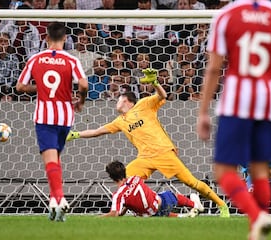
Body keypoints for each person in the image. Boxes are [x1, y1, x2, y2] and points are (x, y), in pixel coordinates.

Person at [196, 1, 271, 239]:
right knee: (261, 170)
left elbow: (214, 68)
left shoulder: (227, 15)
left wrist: (203, 111)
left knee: (224, 172)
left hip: (236, 101)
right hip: (269, 101)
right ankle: (259, 228)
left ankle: (257, 216)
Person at [67, 68, 230, 217]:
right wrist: (75, 134)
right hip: (145, 158)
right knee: (125, 181)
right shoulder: (119, 121)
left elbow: (162, 95)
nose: (116, 101)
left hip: (164, 152)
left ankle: (222, 205)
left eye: (119, 98)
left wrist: (154, 82)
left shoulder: (143, 105)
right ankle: (124, 211)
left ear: (126, 100)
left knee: (191, 182)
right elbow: (96, 132)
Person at [15, 22, 88, 222]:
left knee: (50, 162)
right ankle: (54, 206)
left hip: (44, 117)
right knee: (56, 161)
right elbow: (83, 84)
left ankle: (60, 200)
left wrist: (40, 89)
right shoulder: (71, 60)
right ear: (65, 39)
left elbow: (20, 86)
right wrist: (80, 101)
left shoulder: (35, 59)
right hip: (65, 117)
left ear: (46, 38)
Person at [103, 160, 204, 217]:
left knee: (152, 212)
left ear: (111, 177)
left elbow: (115, 213)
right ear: (124, 171)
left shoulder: (118, 195)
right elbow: (132, 191)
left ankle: (184, 217)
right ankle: (194, 205)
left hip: (150, 216)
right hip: (162, 202)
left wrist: (98, 218)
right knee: (172, 195)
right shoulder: (136, 178)